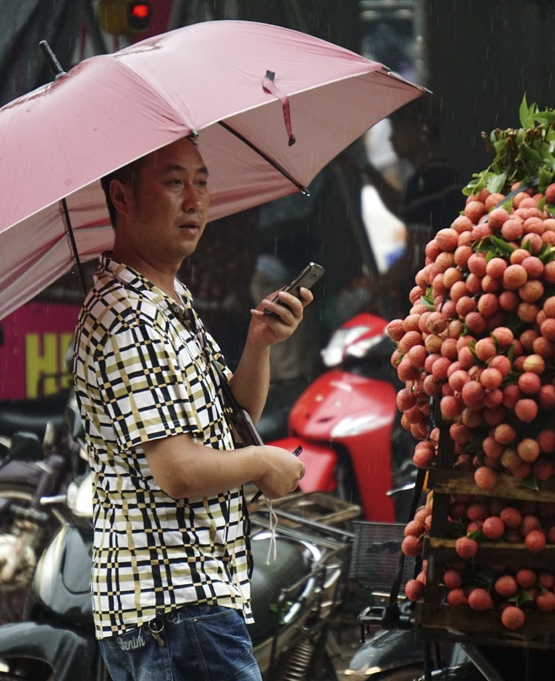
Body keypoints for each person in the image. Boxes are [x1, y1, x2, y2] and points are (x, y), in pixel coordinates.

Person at [71, 137, 310, 681]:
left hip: (188, 601)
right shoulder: (128, 316)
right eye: (174, 182)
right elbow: (179, 470)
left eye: (201, 182)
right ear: (122, 197)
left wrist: (259, 344)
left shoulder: (167, 300)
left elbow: (234, 416)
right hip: (174, 608)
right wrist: (264, 463)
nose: (195, 200)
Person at [360, 97, 462, 311]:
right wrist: (367, 170)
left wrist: (365, 294)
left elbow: (414, 255)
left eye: (397, 128)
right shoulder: (441, 177)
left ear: (421, 130)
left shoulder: (426, 183)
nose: (390, 138)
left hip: (437, 296)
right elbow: (406, 209)